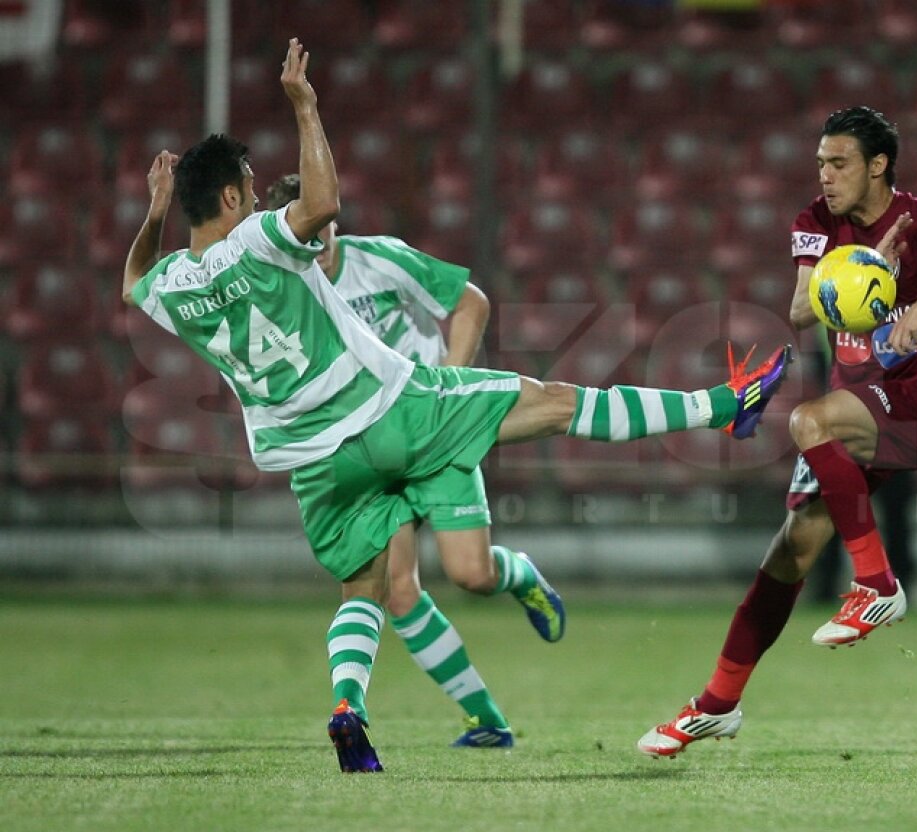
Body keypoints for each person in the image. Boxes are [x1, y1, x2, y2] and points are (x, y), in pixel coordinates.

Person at [122, 39, 792, 773]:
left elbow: (132, 281)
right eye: (247, 186)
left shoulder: (174, 288)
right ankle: (725, 405)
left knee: (366, 588)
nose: (253, 196)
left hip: (309, 459)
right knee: (554, 401)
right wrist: (306, 108)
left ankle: (349, 703)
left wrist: (152, 213)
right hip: (390, 410)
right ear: (231, 198)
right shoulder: (258, 239)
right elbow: (323, 204)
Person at [638, 105, 917, 757]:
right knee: (790, 552)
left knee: (806, 418)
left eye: (840, 162)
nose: (825, 174)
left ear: (878, 165)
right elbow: (800, 309)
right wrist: (854, 269)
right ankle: (716, 704)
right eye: (820, 161)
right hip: (861, 406)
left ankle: (877, 584)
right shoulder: (815, 224)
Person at [263, 171, 522, 750]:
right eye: (307, 232)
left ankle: (518, 572)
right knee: (396, 589)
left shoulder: (378, 259)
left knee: (472, 575)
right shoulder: (280, 286)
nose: (321, 241)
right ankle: (487, 721)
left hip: (425, 423)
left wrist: (451, 381)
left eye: (325, 227)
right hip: (366, 444)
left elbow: (470, 300)